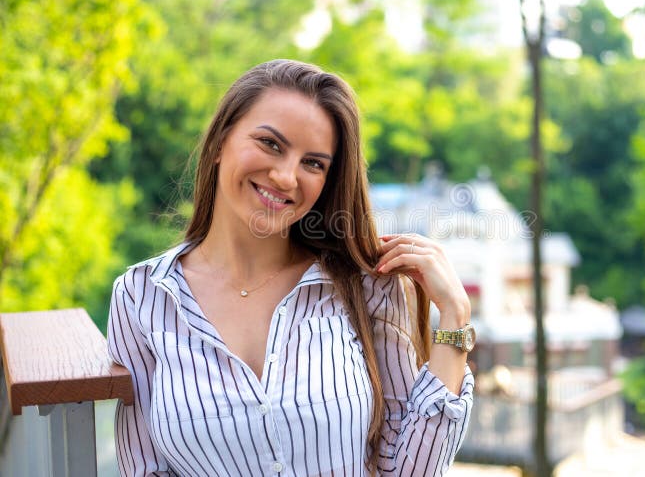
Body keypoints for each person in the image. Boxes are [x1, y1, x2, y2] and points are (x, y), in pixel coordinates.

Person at [107, 59, 475, 476]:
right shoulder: (142, 296)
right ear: (221, 141)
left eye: (313, 163)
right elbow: (146, 469)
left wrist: (456, 318)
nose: (285, 177)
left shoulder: (365, 287)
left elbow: (411, 472)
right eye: (271, 144)